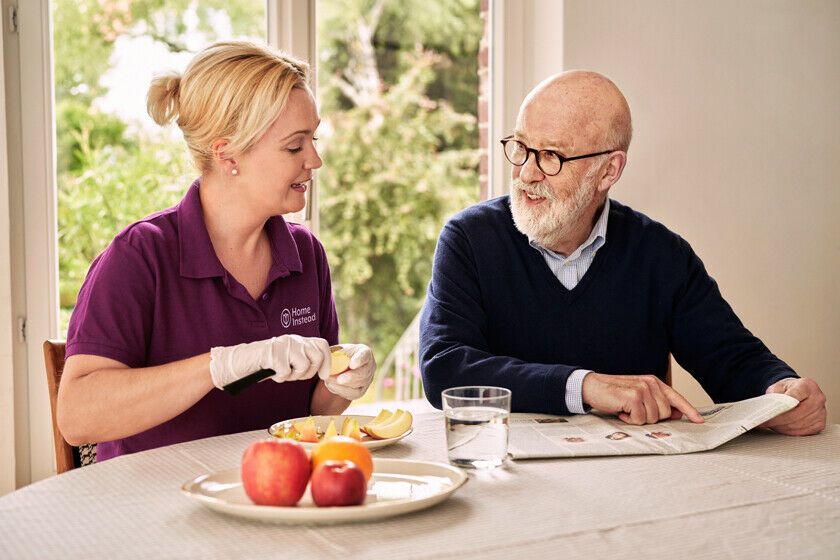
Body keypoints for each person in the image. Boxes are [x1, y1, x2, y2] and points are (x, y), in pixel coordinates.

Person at [420, 70, 826, 436]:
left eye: (551, 156)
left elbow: (732, 359)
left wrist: (782, 392)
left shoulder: (663, 255)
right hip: (508, 474)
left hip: (635, 483)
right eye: (521, 146)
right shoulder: (469, 238)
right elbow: (445, 368)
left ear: (609, 171)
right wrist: (587, 385)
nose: (527, 173)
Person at [58, 41, 376, 461]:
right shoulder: (140, 256)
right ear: (227, 154)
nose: (314, 160)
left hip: (274, 499)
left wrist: (341, 383)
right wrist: (219, 366)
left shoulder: (306, 256)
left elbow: (312, 415)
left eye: (313, 139)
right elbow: (78, 416)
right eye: (295, 146)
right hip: (149, 508)